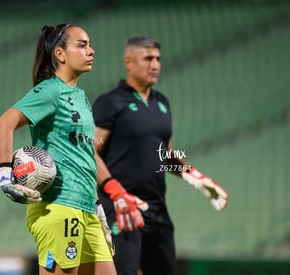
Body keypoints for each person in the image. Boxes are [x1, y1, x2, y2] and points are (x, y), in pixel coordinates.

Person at [92, 35, 229, 275]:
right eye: (147, 58)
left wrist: (195, 178)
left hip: (157, 210)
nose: (154, 64)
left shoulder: (161, 102)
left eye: (158, 59)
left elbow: (164, 154)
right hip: (122, 210)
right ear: (129, 62)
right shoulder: (110, 103)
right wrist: (116, 192)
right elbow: (90, 152)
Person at [0, 23, 116, 275]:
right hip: (58, 206)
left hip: (86, 209)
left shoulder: (80, 96)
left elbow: (83, 157)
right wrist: (6, 178)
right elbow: (3, 125)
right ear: (60, 54)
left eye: (90, 45)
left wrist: (98, 206)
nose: (91, 51)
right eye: (82, 45)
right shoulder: (49, 91)